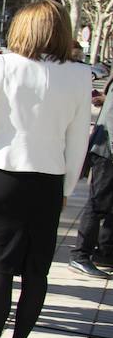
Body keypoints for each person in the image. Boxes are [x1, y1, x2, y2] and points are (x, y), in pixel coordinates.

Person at [0, 2, 91, 338]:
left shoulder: (2, 63)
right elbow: (78, 142)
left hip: (2, 173)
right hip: (49, 180)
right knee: (37, 273)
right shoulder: (81, 75)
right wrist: (65, 188)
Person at [71, 77, 113, 277]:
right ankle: (80, 255)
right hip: (107, 151)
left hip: (107, 149)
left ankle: (105, 253)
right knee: (98, 204)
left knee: (108, 204)